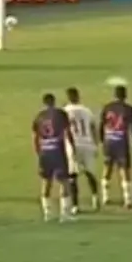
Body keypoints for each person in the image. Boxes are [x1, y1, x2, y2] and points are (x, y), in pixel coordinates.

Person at [33, 93, 77, 222]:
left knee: (47, 182)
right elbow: (67, 131)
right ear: (53, 101)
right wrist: (72, 147)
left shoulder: (39, 117)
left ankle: (48, 213)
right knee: (64, 181)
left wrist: (38, 152)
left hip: (45, 152)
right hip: (58, 151)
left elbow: (35, 138)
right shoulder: (60, 114)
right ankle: (65, 214)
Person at [99, 85, 132, 208]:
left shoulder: (107, 107)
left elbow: (101, 125)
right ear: (125, 95)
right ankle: (128, 199)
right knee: (124, 170)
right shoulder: (129, 109)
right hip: (121, 142)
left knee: (107, 168)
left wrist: (102, 140)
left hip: (109, 141)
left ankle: (105, 197)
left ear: (115, 95)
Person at [63, 87, 100, 212]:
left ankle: (75, 205)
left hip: (73, 145)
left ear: (68, 97)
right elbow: (94, 128)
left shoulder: (65, 111)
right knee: (90, 173)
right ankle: (95, 199)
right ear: (78, 96)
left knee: (72, 175)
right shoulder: (87, 111)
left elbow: (63, 130)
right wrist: (96, 144)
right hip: (88, 144)